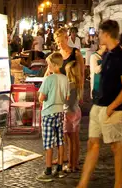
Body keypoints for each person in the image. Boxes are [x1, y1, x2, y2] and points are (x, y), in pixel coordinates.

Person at [77, 19, 122, 188]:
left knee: (116, 147)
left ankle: (118, 185)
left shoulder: (121, 57)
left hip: (111, 109)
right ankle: (83, 183)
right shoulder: (107, 54)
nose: (97, 36)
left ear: (106, 34)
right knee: (92, 144)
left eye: (99, 33)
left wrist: (112, 107)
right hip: (98, 105)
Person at [37, 52, 69, 182]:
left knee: (48, 142)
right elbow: (67, 97)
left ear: (54, 64)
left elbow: (41, 97)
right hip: (60, 111)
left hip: (48, 112)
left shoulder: (48, 79)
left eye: (48, 64)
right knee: (60, 140)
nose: (47, 66)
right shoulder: (65, 79)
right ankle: (60, 168)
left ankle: (48, 170)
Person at [52, 27, 85, 97]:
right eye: (58, 42)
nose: (60, 44)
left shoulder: (76, 53)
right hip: (60, 88)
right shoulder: (57, 55)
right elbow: (50, 71)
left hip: (73, 88)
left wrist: (80, 89)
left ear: (66, 39)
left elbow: (82, 72)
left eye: (62, 41)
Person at [64, 61, 82, 173]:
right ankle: (75, 163)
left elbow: (67, 102)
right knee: (75, 140)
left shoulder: (69, 85)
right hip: (76, 111)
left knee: (70, 141)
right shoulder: (78, 83)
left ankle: (71, 164)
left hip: (69, 113)